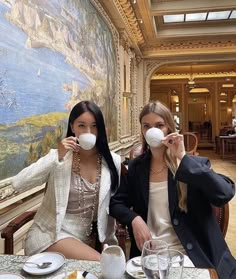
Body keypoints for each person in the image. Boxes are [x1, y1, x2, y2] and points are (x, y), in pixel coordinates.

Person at [110, 101, 236, 279]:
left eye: (159, 125)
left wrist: (183, 158)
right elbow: (116, 203)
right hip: (150, 258)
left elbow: (224, 193)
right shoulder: (137, 167)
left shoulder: (193, 165)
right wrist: (135, 219)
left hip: (192, 257)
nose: (152, 130)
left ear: (169, 128)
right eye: (146, 126)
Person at [12, 100, 121, 261]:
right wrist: (57, 156)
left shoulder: (113, 161)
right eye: (82, 126)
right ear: (72, 127)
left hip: (84, 240)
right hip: (50, 235)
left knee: (109, 265)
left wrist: (111, 241)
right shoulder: (60, 158)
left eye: (94, 126)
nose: (88, 132)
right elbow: (19, 183)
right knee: (102, 264)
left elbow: (114, 206)